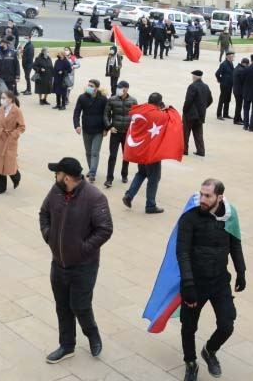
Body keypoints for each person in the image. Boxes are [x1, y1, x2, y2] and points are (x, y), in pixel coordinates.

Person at [39, 157, 113, 364]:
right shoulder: (55, 191)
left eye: (58, 173)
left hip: (83, 266)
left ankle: (92, 334)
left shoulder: (95, 197)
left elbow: (105, 229)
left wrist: (82, 249)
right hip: (58, 263)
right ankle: (67, 345)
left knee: (80, 305)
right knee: (62, 306)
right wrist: (49, 236)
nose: (55, 176)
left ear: (68, 178)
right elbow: (44, 213)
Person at [177, 179, 246, 381]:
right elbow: (182, 253)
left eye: (208, 196)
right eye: (201, 194)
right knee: (189, 326)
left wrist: (241, 271)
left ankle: (209, 350)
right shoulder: (190, 217)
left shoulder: (229, 216)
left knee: (227, 324)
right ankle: (190, 362)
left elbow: (235, 244)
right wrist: (188, 284)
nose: (203, 199)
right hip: (195, 283)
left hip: (219, 282)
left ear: (220, 197)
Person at [122, 92, 169, 213]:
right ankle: (150, 205)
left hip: (140, 151)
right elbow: (170, 120)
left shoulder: (139, 111)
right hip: (152, 153)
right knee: (154, 178)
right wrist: (165, 109)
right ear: (159, 103)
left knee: (141, 173)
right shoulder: (159, 115)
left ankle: (129, 195)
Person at [73, 79, 108, 182]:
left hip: (98, 130)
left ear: (96, 88)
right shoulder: (82, 98)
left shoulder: (103, 99)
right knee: (88, 152)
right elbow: (77, 112)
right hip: (86, 129)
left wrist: (106, 128)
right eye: (88, 85)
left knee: (94, 152)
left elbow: (106, 114)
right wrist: (77, 125)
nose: (89, 87)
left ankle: (92, 172)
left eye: (91, 86)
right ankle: (91, 169)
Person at [104, 80, 137, 188]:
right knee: (112, 156)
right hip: (115, 132)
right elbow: (106, 115)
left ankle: (124, 175)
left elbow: (136, 116)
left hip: (127, 133)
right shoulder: (112, 100)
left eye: (121, 88)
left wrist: (134, 130)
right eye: (118, 88)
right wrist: (109, 126)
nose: (118, 90)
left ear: (126, 89)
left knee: (126, 155)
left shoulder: (133, 101)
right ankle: (109, 179)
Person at [0, 90, 25, 194]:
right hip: (1, 138)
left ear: (10, 99)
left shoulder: (17, 111)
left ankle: (16, 176)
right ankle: (0, 188)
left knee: (9, 161)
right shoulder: (0, 109)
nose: (2, 100)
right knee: (0, 163)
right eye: (1, 98)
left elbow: (22, 126)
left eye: (4, 98)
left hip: (10, 139)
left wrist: (14, 135)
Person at [183, 70, 213, 157]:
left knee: (185, 133)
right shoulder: (206, 86)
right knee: (198, 133)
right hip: (201, 114)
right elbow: (210, 100)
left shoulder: (192, 86)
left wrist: (185, 110)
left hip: (190, 114)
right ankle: (201, 151)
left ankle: (184, 150)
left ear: (195, 77)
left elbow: (188, 100)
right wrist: (203, 108)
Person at [214, 52, 235, 120]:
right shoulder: (224, 64)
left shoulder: (231, 63)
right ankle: (219, 114)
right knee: (222, 99)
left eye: (233, 56)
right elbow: (217, 73)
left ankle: (225, 114)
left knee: (228, 99)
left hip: (230, 85)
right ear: (227, 57)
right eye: (232, 56)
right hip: (224, 85)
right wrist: (220, 80)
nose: (233, 57)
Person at [231, 57, 248, 125]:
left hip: (236, 90)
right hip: (239, 91)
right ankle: (236, 120)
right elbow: (243, 80)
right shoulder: (241, 70)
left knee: (239, 105)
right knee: (239, 106)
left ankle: (239, 118)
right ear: (245, 63)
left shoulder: (237, 68)